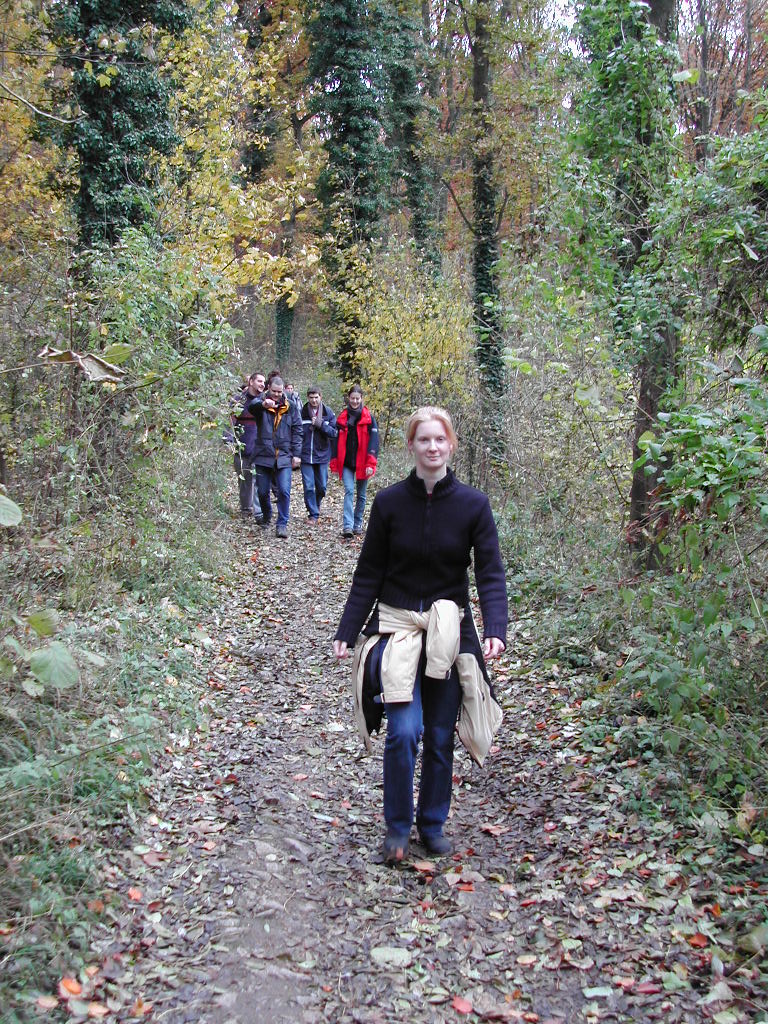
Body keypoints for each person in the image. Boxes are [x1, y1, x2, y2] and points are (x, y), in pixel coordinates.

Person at [332, 407, 507, 863]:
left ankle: (432, 824)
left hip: (450, 634)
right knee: (403, 731)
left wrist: (495, 628)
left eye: (440, 440)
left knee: (439, 733)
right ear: (410, 446)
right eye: (423, 440)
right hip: (397, 630)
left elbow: (489, 573)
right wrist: (348, 630)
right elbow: (368, 572)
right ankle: (396, 828)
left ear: (451, 445)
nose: (432, 447)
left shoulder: (474, 505)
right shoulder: (389, 503)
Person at [247, 375, 302, 538]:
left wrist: (297, 454)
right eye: (274, 391)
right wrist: (264, 404)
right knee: (263, 492)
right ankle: (267, 514)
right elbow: (253, 407)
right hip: (263, 454)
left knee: (284, 491)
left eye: (279, 391)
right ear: (268, 389)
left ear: (284, 390)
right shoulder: (260, 403)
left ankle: (282, 524)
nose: (277, 394)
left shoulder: (290, 407)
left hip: (284, 455)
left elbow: (298, 430)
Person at [329, 384, 379, 538]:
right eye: (352, 398)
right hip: (347, 462)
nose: (355, 401)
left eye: (357, 399)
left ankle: (358, 523)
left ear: (361, 399)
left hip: (363, 462)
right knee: (349, 491)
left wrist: (371, 463)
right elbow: (335, 441)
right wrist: (335, 460)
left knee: (362, 494)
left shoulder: (369, 418)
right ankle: (347, 526)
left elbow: (374, 442)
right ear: (348, 399)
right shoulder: (342, 418)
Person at [229, 372, 265, 522]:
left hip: (261, 448)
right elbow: (230, 422)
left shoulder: (265, 401)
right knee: (244, 481)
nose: (262, 384)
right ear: (251, 382)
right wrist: (229, 440)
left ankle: (259, 512)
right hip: (242, 447)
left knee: (260, 481)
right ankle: (246, 508)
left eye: (264, 382)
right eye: (259, 381)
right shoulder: (239, 401)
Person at [300, 386, 337, 522]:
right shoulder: (302, 413)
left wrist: (321, 425)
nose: (314, 400)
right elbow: (297, 432)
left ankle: (316, 504)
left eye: (316, 397)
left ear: (321, 397)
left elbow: (334, 433)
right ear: (308, 398)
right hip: (305, 455)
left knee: (321, 486)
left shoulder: (328, 413)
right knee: (309, 486)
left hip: (322, 455)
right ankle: (313, 513)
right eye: (311, 397)